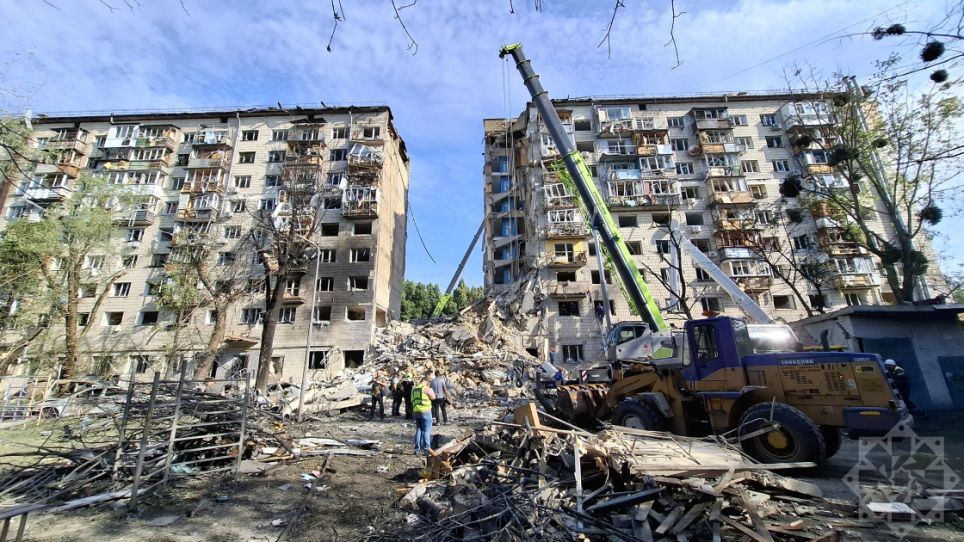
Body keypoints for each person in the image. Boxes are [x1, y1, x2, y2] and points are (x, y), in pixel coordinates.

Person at [411, 374, 436, 455]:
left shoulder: (414, 389)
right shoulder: (426, 388)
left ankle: (416, 449)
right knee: (426, 431)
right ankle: (426, 449)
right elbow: (433, 397)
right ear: (426, 381)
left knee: (418, 430)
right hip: (426, 412)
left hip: (416, 411)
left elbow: (412, 400)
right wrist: (430, 389)